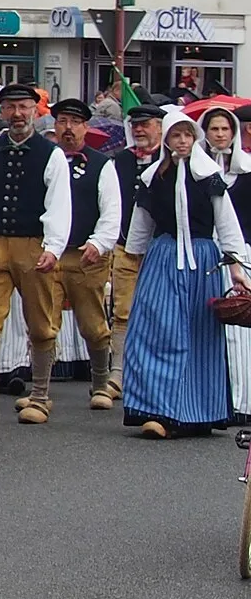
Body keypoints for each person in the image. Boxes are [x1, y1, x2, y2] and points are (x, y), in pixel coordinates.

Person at [121, 109, 251, 438]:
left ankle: (196, 410)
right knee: (155, 330)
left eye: (187, 135)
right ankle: (156, 408)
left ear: (195, 138)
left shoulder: (208, 176)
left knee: (198, 334)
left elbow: (226, 222)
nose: (182, 141)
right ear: (166, 138)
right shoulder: (153, 177)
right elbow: (141, 224)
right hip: (164, 256)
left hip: (203, 258)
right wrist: (135, 257)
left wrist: (235, 266)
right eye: (176, 135)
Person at [0, 83, 71, 428]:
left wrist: (54, 247)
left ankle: (40, 396)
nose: (17, 114)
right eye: (10, 107)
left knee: (41, 323)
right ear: (1, 111)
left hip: (34, 244)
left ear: (35, 110)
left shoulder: (51, 153)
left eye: (24, 107)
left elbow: (59, 205)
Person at [46, 99, 123, 412]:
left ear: (85, 127)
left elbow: (112, 211)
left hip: (85, 253)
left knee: (92, 323)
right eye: (62, 121)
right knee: (43, 323)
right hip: (50, 253)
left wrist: (99, 243)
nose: (68, 128)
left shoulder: (101, 164)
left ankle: (101, 383)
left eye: (75, 122)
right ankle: (41, 390)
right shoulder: (46, 161)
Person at [108, 103, 166, 398]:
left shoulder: (169, 159)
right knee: (123, 310)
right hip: (125, 244)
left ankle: (149, 374)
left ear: (159, 127)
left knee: (158, 313)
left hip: (160, 249)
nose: (139, 130)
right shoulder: (121, 160)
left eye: (146, 124)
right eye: (135, 125)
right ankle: (117, 373)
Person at [198, 107, 251, 420]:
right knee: (208, 323)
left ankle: (242, 401)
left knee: (241, 327)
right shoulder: (199, 169)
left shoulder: (246, 169)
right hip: (207, 254)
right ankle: (213, 400)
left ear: (233, 133)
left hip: (242, 251)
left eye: (224, 129)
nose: (219, 134)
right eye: (214, 128)